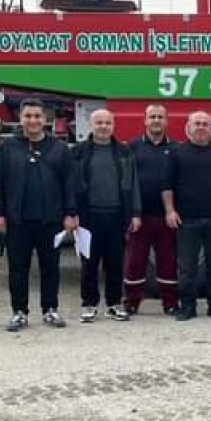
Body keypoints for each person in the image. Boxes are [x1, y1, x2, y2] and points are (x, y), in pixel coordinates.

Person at [0, 98, 78, 332]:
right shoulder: (5, 149)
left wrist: (71, 213)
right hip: (17, 220)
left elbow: (70, 183)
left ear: (45, 119)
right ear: (20, 119)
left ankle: (50, 309)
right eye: (28, 116)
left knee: (51, 268)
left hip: (51, 220)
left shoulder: (59, 149)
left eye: (37, 116)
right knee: (18, 269)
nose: (33, 120)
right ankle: (19, 312)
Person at [163, 111, 211, 321]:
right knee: (187, 267)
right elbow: (167, 187)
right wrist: (170, 210)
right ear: (189, 126)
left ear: (210, 128)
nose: (201, 127)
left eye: (205, 124)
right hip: (186, 220)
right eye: (197, 123)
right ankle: (187, 307)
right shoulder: (177, 152)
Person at [73, 109, 142, 323]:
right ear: (91, 126)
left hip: (117, 215)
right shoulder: (79, 151)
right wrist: (71, 213)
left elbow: (134, 184)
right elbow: (71, 185)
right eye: (99, 122)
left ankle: (114, 303)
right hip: (88, 216)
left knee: (115, 263)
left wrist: (136, 213)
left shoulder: (124, 152)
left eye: (107, 123)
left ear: (113, 125)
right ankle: (89, 304)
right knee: (89, 263)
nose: (103, 126)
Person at [124, 104, 179, 315]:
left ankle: (170, 303)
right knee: (135, 261)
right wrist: (131, 213)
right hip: (140, 216)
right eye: (152, 117)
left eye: (160, 117)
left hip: (167, 217)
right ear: (145, 120)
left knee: (168, 261)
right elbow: (127, 182)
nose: (156, 120)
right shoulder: (133, 147)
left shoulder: (175, 148)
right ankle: (131, 301)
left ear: (167, 121)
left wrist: (174, 211)